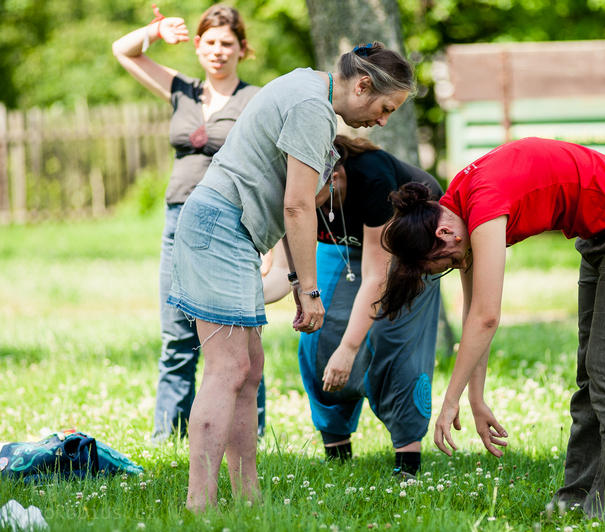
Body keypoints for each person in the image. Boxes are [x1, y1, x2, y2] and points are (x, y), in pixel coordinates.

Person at [379, 137, 605, 517]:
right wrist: (475, 399)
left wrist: (449, 401)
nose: (457, 267)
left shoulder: (483, 204)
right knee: (593, 373)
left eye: (445, 264)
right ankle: (575, 501)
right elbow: (474, 313)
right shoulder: (458, 204)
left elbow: (487, 315)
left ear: (444, 235)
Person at [166, 42, 414, 511]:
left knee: (249, 368)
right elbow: (297, 205)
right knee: (228, 368)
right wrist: (309, 289)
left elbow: (292, 197)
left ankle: (248, 496)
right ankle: (200, 504)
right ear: (362, 85)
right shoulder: (311, 108)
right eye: (385, 108)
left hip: (234, 232)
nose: (382, 122)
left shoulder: (306, 86)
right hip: (220, 227)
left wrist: (299, 280)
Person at [112, 4, 268, 443]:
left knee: (238, 333)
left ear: (242, 49)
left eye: (228, 44)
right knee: (176, 333)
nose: (218, 51)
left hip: (233, 223)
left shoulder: (254, 100)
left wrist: (270, 246)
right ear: (198, 46)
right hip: (179, 221)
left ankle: (247, 433)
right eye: (211, 42)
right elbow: (122, 51)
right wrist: (157, 31)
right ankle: (168, 436)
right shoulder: (183, 90)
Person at [262, 135, 442, 478]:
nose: (298, 203)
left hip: (410, 246)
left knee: (395, 344)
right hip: (348, 247)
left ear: (334, 176)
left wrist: (349, 349)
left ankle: (407, 466)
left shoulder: (372, 178)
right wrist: (240, 299)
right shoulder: (293, 197)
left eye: (306, 193)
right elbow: (287, 274)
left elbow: (377, 277)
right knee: (318, 339)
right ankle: (338, 458)